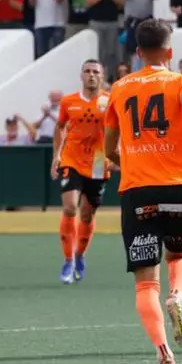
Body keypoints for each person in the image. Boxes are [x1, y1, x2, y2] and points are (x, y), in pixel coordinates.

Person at [104, 18, 182, 364]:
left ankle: (164, 356)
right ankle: (177, 295)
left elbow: (108, 147)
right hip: (179, 187)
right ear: (170, 51)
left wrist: (127, 160)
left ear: (137, 51)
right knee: (180, 256)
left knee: (144, 284)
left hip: (138, 191)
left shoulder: (120, 88)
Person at [50, 60, 110, 284]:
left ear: (102, 76)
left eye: (96, 72)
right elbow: (60, 127)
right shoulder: (69, 101)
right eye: (87, 71)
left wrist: (116, 155)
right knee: (69, 207)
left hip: (98, 161)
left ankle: (79, 255)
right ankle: (68, 261)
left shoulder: (110, 101)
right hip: (72, 158)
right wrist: (56, 156)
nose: (91, 75)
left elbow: (119, 129)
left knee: (87, 214)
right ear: (81, 75)